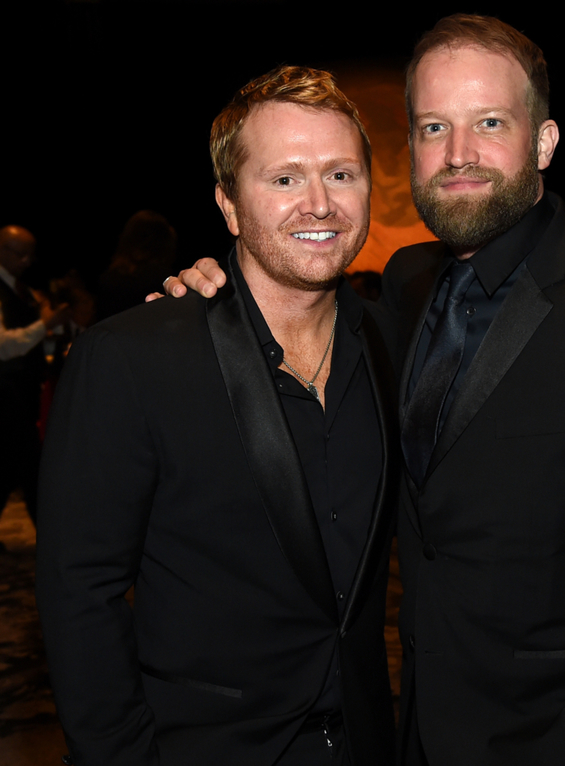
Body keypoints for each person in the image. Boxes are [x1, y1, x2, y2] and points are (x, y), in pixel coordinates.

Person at [166, 15, 565, 766]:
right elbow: (290, 316)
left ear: (543, 141)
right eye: (434, 127)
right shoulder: (409, 284)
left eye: (489, 123)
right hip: (416, 729)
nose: (459, 155)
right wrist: (209, 296)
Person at [35, 66, 398, 766]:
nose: (319, 203)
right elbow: (81, 592)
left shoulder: (394, 343)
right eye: (285, 178)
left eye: (341, 175)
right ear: (229, 205)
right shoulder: (133, 358)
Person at [0, 225, 70, 528]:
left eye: (31, 255)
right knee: (31, 467)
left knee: (10, 469)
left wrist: (53, 332)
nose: (28, 261)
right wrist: (45, 324)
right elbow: (3, 346)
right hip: (4, 392)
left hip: (25, 390)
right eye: (20, 254)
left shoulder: (25, 291)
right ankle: (52, 538)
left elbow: (40, 343)